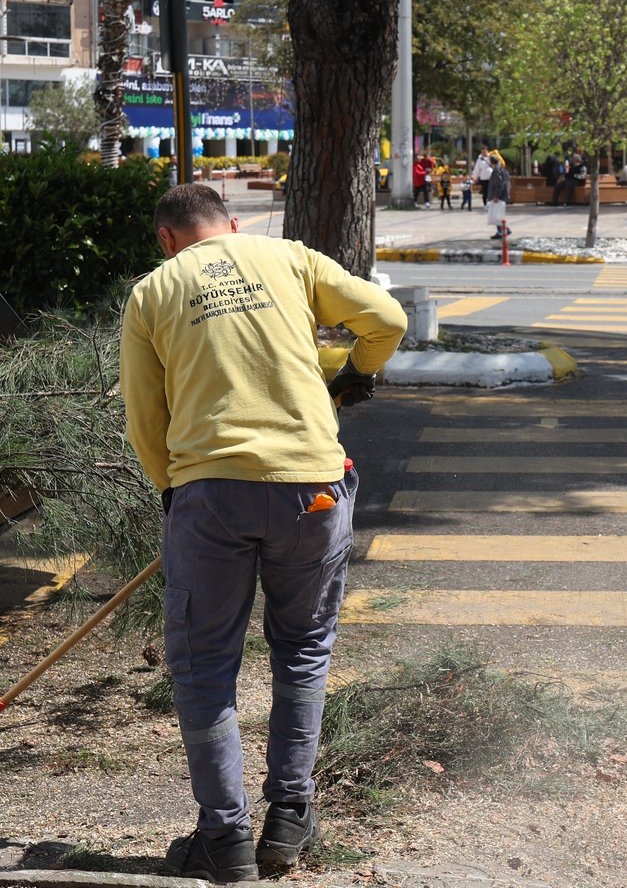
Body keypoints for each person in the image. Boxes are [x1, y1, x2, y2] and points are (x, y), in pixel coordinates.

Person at [120, 184, 408, 882]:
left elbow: (144, 420)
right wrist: (358, 378)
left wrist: (175, 493)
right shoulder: (290, 259)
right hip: (312, 489)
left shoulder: (154, 292)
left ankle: (225, 844)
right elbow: (387, 320)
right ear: (233, 225)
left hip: (210, 495)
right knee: (304, 648)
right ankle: (287, 817)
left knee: (205, 668)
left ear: (167, 239)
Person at [485, 151, 511, 239]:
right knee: (498, 214)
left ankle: (502, 231)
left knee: (496, 215)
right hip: (503, 195)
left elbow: (499, 184)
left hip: (499, 196)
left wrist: (496, 196)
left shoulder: (496, 171)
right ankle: (504, 229)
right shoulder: (503, 169)